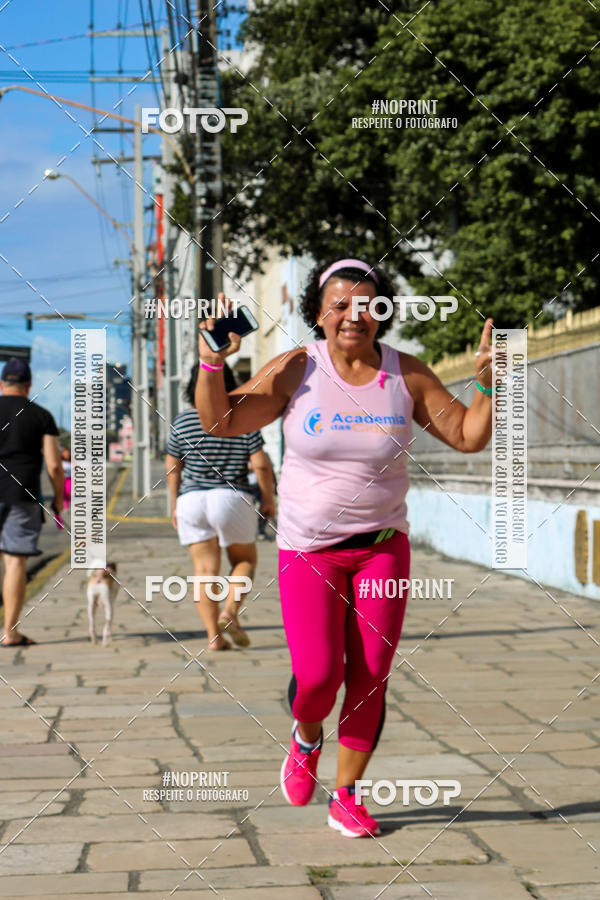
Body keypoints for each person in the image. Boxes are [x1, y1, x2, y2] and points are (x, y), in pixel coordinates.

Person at [195, 261, 494, 837]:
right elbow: (220, 419)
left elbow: (468, 436)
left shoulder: (406, 374)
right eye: (339, 305)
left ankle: (348, 795)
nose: (353, 315)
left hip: (382, 549)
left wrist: (488, 381)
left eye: (367, 305)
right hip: (309, 550)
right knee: (317, 677)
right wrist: (213, 360)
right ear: (318, 314)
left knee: (371, 674)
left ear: (382, 313)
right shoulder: (296, 370)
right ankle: (306, 735)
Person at [166, 362, 275, 650]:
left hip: (191, 500)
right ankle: (230, 611)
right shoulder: (243, 418)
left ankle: (214, 637)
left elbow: (173, 465)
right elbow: (261, 464)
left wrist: (175, 503)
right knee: (245, 561)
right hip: (231, 497)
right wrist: (268, 499)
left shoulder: (182, 421)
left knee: (204, 571)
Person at [0, 358, 64, 647]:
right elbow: (53, 465)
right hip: (21, 494)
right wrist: (59, 499)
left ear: (2, 383)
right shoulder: (41, 415)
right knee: (15, 562)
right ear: (28, 385)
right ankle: (10, 632)